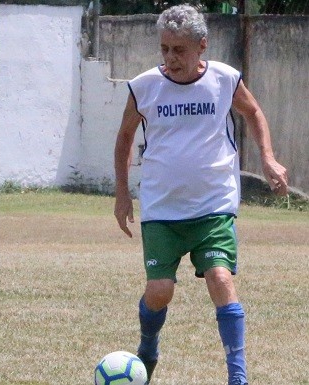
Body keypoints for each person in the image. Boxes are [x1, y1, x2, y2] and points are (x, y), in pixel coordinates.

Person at [113, 5, 288, 385]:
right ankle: (148, 347)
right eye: (164, 49)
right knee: (159, 291)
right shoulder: (144, 86)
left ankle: (237, 377)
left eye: (179, 50)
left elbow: (254, 112)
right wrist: (122, 194)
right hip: (162, 207)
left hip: (214, 206)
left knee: (220, 278)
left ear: (201, 46)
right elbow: (125, 136)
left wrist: (269, 160)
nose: (170, 59)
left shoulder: (225, 79)